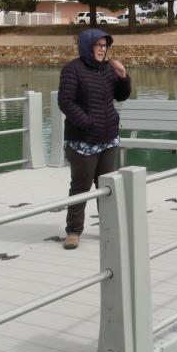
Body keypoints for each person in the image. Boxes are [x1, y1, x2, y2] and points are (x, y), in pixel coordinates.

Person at [57, 28, 131, 249]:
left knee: (107, 187)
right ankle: (73, 231)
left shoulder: (108, 69)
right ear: (87, 46)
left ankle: (109, 228)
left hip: (108, 139)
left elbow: (121, 95)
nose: (102, 50)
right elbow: (66, 102)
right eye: (97, 45)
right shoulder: (72, 70)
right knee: (80, 187)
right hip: (83, 141)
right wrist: (88, 123)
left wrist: (123, 76)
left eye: (105, 46)